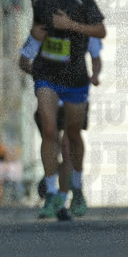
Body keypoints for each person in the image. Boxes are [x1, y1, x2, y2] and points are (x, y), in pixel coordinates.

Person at [28, 0, 106, 220]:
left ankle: (77, 189)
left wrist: (71, 25)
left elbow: (100, 31)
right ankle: (51, 194)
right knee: (49, 130)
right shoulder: (38, 0)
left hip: (75, 77)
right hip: (46, 74)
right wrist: (35, 37)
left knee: (72, 137)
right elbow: (36, 36)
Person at [21, 29, 101, 217]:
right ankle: (51, 184)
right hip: (50, 104)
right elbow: (23, 61)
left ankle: (62, 202)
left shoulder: (84, 31)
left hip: (73, 100)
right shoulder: (42, 30)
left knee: (67, 148)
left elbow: (96, 57)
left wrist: (94, 75)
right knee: (53, 146)